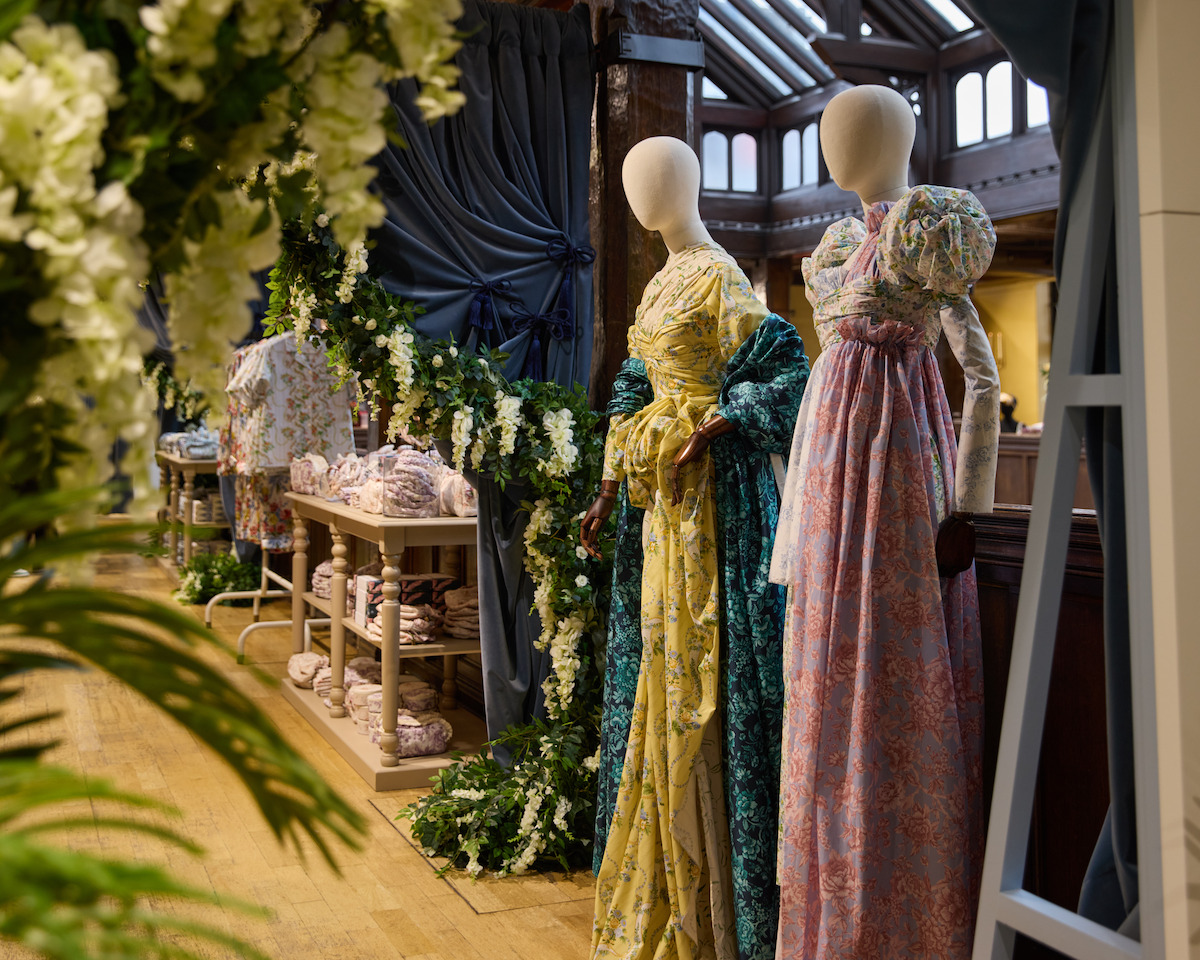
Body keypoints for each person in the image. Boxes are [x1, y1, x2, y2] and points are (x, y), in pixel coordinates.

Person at [768, 86, 1000, 959]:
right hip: (834, 481)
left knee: (887, 675)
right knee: (826, 670)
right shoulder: (836, 246)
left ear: (894, 138)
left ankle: (899, 917)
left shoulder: (925, 234)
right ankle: (832, 904)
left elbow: (979, 375)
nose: (832, 145)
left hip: (897, 474)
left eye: (848, 130)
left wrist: (968, 506)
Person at [581, 136, 809, 960]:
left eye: (657, 179)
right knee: (659, 669)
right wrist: (609, 483)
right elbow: (635, 383)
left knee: (703, 678)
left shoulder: (718, 276)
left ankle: (716, 905)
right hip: (662, 512)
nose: (643, 194)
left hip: (714, 506)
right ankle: (671, 888)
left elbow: (789, 370)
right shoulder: (660, 280)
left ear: (689, 183)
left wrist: (722, 420)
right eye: (635, 180)